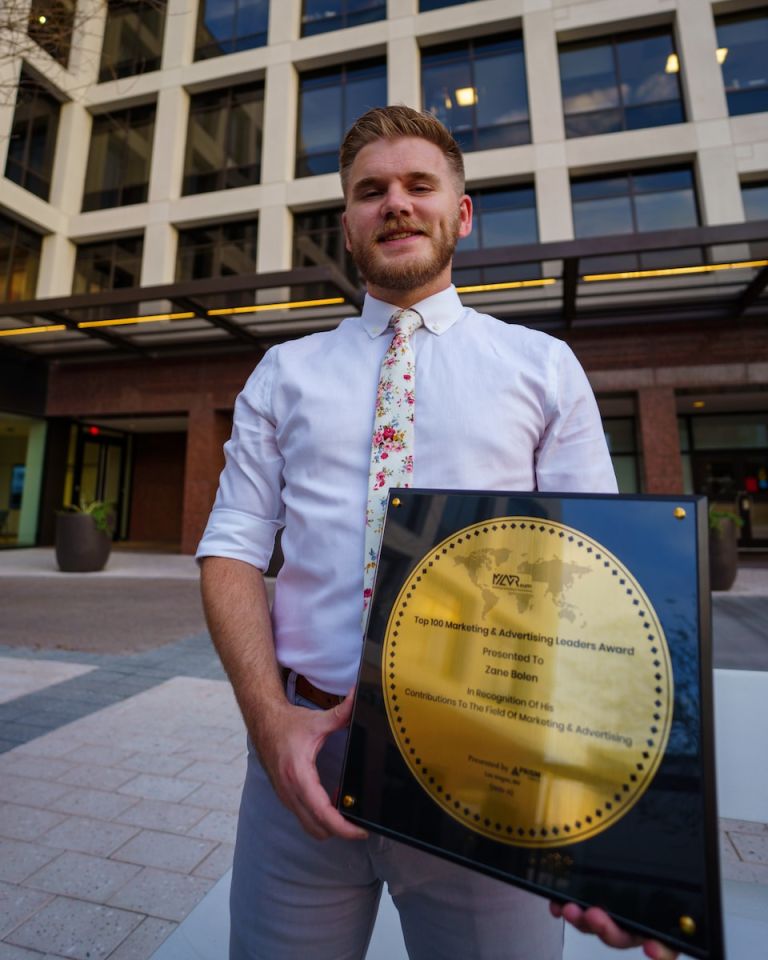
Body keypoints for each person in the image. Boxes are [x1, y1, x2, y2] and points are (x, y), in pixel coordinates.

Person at [198, 105, 678, 960]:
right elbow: (233, 545)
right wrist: (269, 723)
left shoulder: (541, 366)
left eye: (420, 185)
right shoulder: (285, 372)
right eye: (370, 191)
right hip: (306, 750)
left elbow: (598, 575)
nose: (396, 203)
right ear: (347, 224)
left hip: (490, 760)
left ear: (460, 212)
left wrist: (611, 822)